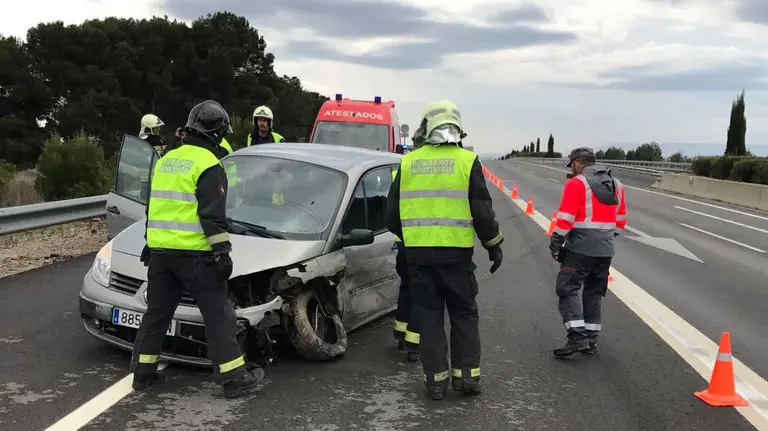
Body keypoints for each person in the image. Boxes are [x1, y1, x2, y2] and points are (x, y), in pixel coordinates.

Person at [130, 100, 265, 399]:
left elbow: (155, 207)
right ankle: (234, 378)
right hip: (195, 256)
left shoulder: (165, 160)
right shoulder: (208, 164)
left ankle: (142, 374)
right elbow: (212, 215)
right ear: (216, 133)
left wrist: (150, 243)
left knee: (156, 315)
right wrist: (222, 253)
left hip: (161, 254)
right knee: (219, 315)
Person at [385, 99, 504, 400]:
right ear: (458, 127)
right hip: (457, 259)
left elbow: (391, 216)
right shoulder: (467, 161)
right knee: (464, 315)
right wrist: (493, 245)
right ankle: (467, 378)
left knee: (429, 318)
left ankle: (436, 381)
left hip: (419, 259)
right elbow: (483, 213)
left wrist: (412, 239)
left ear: (427, 126)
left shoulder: (408, 162)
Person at [548, 147, 627, 358]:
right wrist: (604, 238)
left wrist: (556, 243)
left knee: (567, 288)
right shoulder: (616, 185)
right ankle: (591, 340)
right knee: (593, 292)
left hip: (580, 248)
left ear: (576, 163)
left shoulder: (577, 183)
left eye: (571, 165)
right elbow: (620, 222)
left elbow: (566, 218)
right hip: (605, 250)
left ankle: (577, 337)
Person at [390, 168, 420, 363]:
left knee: (407, 289)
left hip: (404, 243)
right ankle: (414, 345)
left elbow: (391, 213)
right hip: (423, 244)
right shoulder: (433, 173)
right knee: (422, 295)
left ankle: (401, 335)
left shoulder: (403, 168)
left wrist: (401, 236)